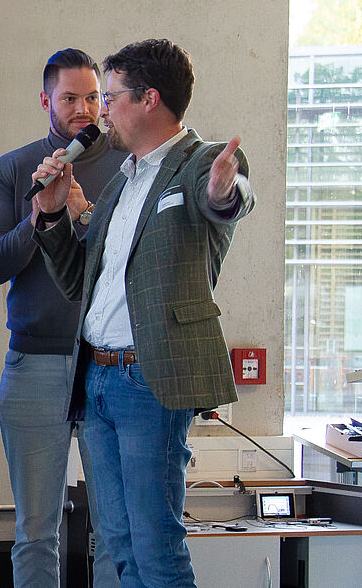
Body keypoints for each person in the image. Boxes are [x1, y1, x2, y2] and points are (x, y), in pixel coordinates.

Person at [30, 39, 253, 587]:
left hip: (149, 379)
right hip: (97, 377)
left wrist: (225, 192)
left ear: (149, 98)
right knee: (120, 546)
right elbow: (80, 281)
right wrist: (54, 215)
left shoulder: (203, 161)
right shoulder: (121, 181)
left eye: (110, 97)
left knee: (156, 548)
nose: (101, 111)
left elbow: (226, 199)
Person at [0, 48, 122, 588]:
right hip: (34, 363)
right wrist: (40, 214)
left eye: (93, 97)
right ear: (45, 101)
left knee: (115, 531)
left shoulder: (128, 164)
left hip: (110, 365)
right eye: (70, 98)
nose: (84, 109)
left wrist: (81, 214)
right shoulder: (15, 168)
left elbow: (126, 265)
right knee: (37, 530)